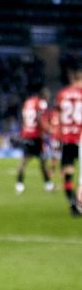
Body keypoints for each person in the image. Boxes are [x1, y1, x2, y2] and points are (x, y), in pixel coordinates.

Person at [15, 88, 53, 194]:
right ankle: (48, 184)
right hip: (36, 136)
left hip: (26, 134)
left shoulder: (28, 102)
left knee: (23, 161)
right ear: (43, 96)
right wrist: (48, 129)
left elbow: (23, 117)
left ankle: (19, 184)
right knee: (42, 162)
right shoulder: (41, 103)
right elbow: (40, 119)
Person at [59, 61, 82, 216]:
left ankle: (73, 204)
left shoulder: (62, 94)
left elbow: (58, 116)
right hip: (81, 136)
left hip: (67, 138)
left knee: (68, 171)